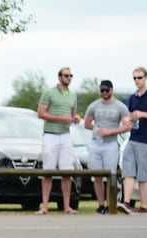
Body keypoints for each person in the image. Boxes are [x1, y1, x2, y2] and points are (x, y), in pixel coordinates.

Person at [118, 66, 147, 215]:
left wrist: (143, 114)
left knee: (142, 175)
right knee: (128, 171)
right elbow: (131, 116)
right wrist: (127, 119)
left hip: (145, 141)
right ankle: (126, 202)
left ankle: (144, 206)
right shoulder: (132, 98)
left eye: (139, 78)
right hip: (132, 138)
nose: (137, 81)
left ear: (145, 78)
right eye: (135, 78)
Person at [83, 80, 131, 214]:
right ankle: (100, 205)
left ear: (112, 90)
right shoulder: (94, 106)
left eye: (107, 90)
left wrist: (110, 131)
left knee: (111, 176)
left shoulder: (120, 107)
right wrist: (97, 129)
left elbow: (127, 126)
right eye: (102, 90)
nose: (104, 93)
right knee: (97, 176)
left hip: (110, 144)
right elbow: (87, 124)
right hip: (96, 143)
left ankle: (111, 204)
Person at [36, 67, 79, 215]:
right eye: (66, 75)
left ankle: (67, 207)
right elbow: (40, 113)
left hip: (66, 135)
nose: (69, 78)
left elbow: (73, 115)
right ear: (59, 77)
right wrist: (62, 118)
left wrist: (76, 119)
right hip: (50, 135)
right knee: (48, 171)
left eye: (70, 76)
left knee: (66, 171)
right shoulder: (49, 93)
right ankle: (45, 207)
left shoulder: (72, 95)